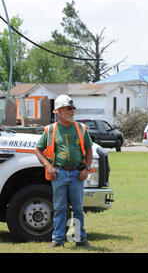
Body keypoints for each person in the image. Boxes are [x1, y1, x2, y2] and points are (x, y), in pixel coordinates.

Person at [35, 95, 93, 248]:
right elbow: (38, 150)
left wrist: (86, 169)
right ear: (59, 111)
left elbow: (89, 150)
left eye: (73, 108)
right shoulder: (50, 130)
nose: (72, 110)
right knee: (59, 208)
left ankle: (80, 239)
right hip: (58, 173)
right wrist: (48, 166)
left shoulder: (81, 128)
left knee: (78, 209)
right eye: (69, 108)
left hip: (77, 174)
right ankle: (58, 240)